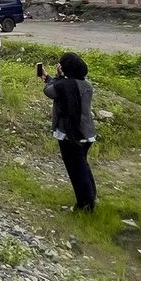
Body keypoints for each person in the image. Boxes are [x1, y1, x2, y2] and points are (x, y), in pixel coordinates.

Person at [41, 53, 97, 210]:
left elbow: (49, 91)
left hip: (70, 133)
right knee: (82, 165)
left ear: (64, 68)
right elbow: (58, 88)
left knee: (75, 170)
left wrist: (57, 78)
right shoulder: (87, 85)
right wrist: (50, 78)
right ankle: (91, 197)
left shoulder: (63, 85)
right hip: (87, 132)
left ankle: (85, 205)